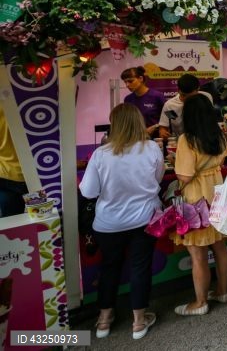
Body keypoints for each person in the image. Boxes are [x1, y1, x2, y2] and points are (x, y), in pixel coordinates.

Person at [79, 104, 164, 340]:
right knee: (140, 267)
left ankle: (104, 320)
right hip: (145, 219)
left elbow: (88, 191)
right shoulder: (152, 148)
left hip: (108, 223)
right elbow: (158, 178)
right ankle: (139, 322)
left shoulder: (101, 154)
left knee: (109, 267)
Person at [171, 95, 227, 317]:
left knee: (198, 255)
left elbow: (185, 176)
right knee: (220, 246)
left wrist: (175, 161)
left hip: (196, 199)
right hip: (216, 195)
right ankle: (222, 291)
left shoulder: (187, 140)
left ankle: (200, 302)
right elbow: (222, 159)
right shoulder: (220, 135)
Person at [158, 73, 213, 139]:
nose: (187, 99)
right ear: (178, 90)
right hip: (180, 141)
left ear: (198, 89)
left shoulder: (206, 98)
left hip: (204, 139)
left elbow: (211, 120)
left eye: (191, 97)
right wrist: (163, 132)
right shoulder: (170, 106)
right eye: (183, 95)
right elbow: (163, 127)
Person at [121, 67, 166, 136]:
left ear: (140, 78)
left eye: (130, 81)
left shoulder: (157, 96)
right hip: (136, 138)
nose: (127, 85)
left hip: (156, 138)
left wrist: (156, 126)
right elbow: (128, 121)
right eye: (125, 82)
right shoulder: (128, 99)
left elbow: (169, 117)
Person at [0, 106, 26, 218]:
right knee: (44, 217)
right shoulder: (24, 102)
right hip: (36, 174)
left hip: (4, 175)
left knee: (14, 220)